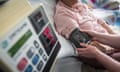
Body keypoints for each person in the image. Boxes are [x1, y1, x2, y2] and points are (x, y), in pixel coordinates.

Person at [54, 0, 120, 69]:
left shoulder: (80, 5)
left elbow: (99, 21)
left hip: (108, 45)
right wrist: (109, 49)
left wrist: (113, 34)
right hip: (100, 54)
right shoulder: (63, 14)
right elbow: (85, 43)